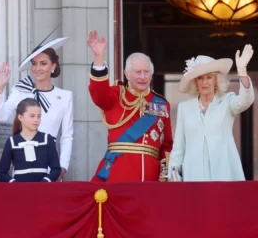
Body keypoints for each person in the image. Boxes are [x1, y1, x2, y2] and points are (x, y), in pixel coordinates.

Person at [87, 30, 173, 182]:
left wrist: (164, 173)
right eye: (137, 72)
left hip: (151, 177)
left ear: (151, 75)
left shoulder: (161, 103)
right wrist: (99, 58)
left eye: (146, 72)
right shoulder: (116, 95)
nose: (142, 76)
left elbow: (166, 145)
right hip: (118, 174)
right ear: (126, 74)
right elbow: (99, 94)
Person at [168, 44, 255, 181]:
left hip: (224, 172)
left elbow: (246, 100)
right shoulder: (184, 108)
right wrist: (173, 172)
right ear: (195, 82)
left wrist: (242, 71)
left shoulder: (227, 101)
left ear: (216, 81)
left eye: (209, 77)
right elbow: (179, 147)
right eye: (200, 78)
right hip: (193, 175)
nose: (204, 82)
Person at [0, 37, 73, 181]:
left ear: (53, 66)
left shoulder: (65, 96)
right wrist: (0, 88)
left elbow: (67, 135)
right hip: (23, 162)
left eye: (43, 63)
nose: (37, 68)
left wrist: (62, 166)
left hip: (50, 163)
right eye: (34, 64)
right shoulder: (21, 90)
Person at [0, 98, 61, 182]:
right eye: (32, 116)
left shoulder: (47, 139)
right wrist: (14, 184)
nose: (36, 120)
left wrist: (45, 181)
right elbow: (1, 172)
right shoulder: (12, 142)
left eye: (39, 116)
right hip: (20, 192)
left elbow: (56, 169)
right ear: (20, 117)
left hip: (42, 191)